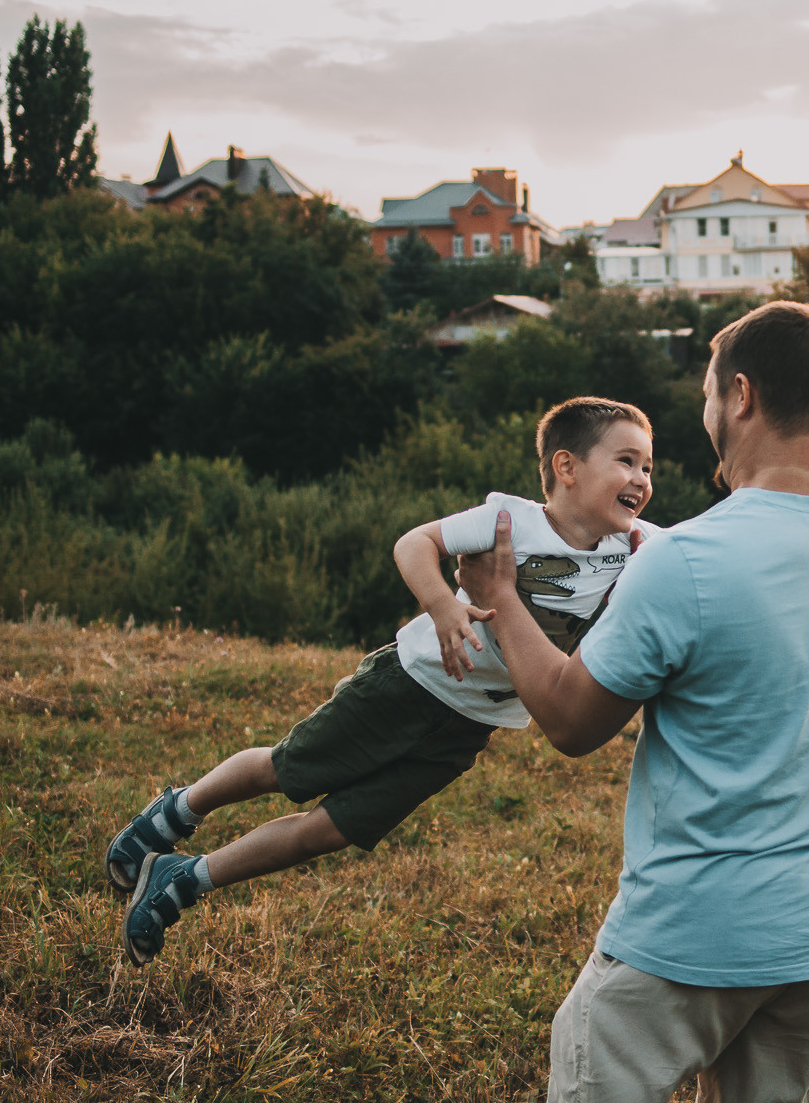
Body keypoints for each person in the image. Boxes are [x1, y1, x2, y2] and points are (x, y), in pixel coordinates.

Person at [456, 301, 809, 1103]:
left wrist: (502, 598)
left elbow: (574, 721)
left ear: (740, 395)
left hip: (696, 931)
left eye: (705, 393)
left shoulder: (690, 559)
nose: (702, 415)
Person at [103, 396, 659, 966]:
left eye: (647, 467)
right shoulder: (509, 521)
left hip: (469, 727)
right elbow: (414, 543)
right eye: (626, 461)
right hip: (407, 684)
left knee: (332, 829)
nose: (640, 479)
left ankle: (182, 881)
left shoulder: (636, 548)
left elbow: (698, 552)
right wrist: (442, 604)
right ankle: (175, 812)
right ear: (566, 468)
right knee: (286, 769)